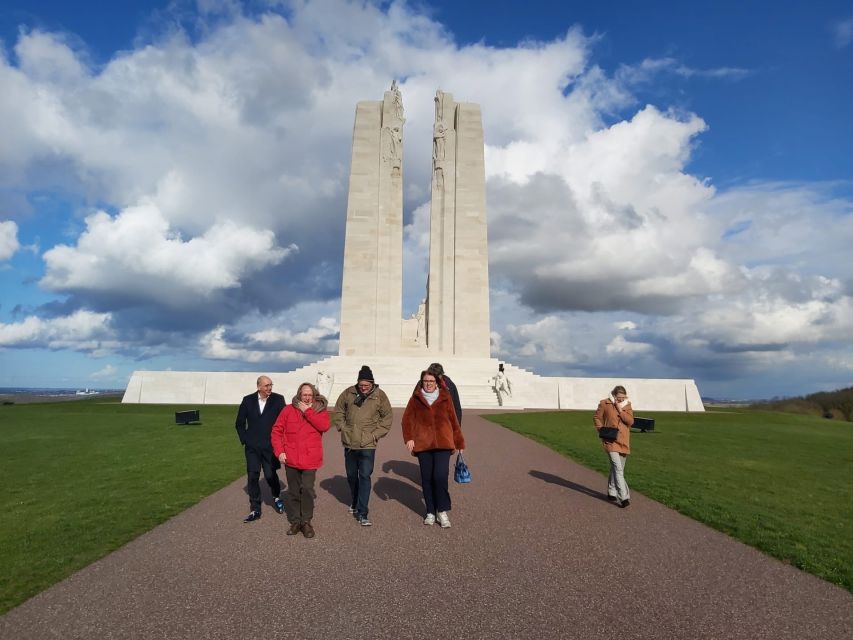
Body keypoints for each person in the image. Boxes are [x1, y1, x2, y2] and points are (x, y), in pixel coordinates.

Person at [402, 370, 466, 528]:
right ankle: (430, 511)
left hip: (443, 443)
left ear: (436, 383)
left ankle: (442, 511)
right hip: (423, 444)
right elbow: (406, 420)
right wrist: (409, 438)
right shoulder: (416, 399)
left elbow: (453, 420)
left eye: (431, 381)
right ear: (422, 382)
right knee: (427, 478)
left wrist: (459, 443)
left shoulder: (445, 397)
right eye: (425, 381)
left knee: (440, 476)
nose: (428, 384)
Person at [332, 365, 392, 526]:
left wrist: (374, 435)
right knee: (352, 475)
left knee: (364, 476)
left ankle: (363, 512)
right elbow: (338, 411)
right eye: (361, 385)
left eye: (367, 385)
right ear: (357, 383)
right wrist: (342, 428)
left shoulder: (380, 396)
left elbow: (387, 418)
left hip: (368, 444)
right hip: (350, 441)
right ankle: (354, 500)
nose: (364, 388)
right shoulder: (348, 393)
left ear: (372, 383)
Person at [271, 382, 330, 538]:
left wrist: (308, 411)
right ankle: (296, 521)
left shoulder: (319, 409)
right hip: (291, 457)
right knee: (294, 491)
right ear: (299, 394)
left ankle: (306, 522)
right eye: (304, 394)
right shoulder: (288, 410)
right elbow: (276, 431)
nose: (307, 397)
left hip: (310, 458)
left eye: (310, 394)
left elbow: (324, 426)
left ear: (314, 395)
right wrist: (279, 452)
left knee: (308, 490)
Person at [234, 375, 286, 522]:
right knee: (252, 477)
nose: (269, 388)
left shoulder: (278, 399)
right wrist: (245, 440)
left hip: (270, 447)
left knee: (270, 475)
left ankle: (276, 496)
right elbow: (239, 423)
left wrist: (282, 443)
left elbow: (284, 422)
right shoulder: (247, 400)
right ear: (258, 387)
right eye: (266, 385)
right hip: (252, 448)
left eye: (271, 385)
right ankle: (255, 509)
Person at [594, 385, 635, 508]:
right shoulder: (604, 403)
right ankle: (624, 497)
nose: (621, 399)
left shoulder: (627, 405)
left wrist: (620, 410)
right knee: (617, 468)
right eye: (619, 397)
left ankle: (611, 491)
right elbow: (597, 417)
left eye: (623, 397)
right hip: (610, 440)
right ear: (614, 395)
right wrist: (601, 429)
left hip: (623, 441)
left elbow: (630, 422)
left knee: (618, 468)